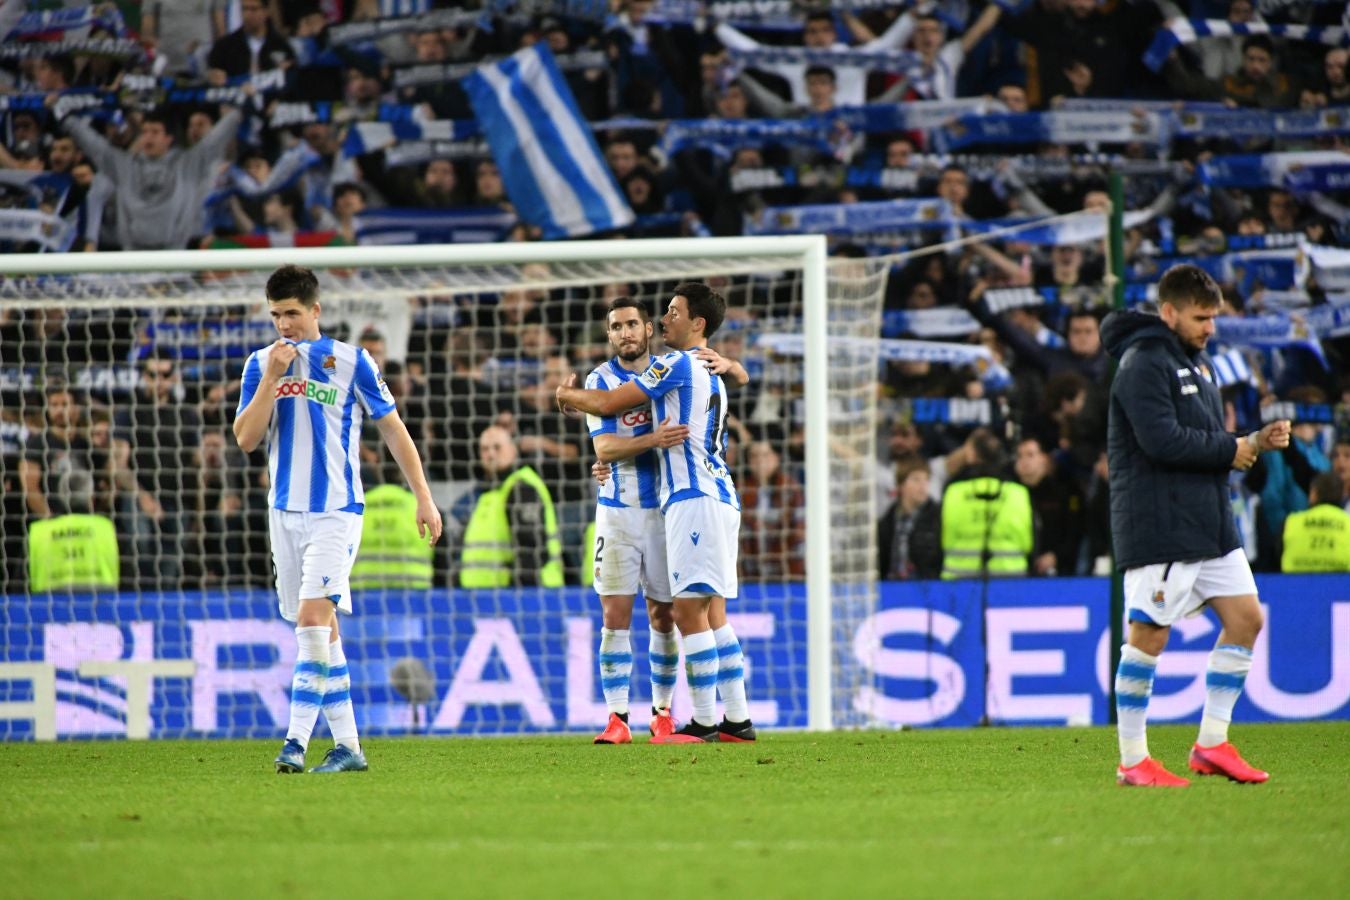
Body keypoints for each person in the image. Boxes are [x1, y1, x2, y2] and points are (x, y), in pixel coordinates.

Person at [233, 265, 441, 775]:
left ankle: (295, 744)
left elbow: (393, 430)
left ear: (316, 311)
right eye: (277, 315)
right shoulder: (260, 364)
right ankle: (348, 747)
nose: (285, 325)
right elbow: (245, 438)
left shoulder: (352, 361)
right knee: (323, 634)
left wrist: (424, 497)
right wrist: (272, 381)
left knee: (310, 621)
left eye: (293, 314)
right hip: (284, 514)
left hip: (336, 512)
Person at [1101, 264, 1291, 788]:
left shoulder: (1198, 366)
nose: (1210, 327)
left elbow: (1206, 438)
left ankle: (1211, 744)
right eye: (1200, 317)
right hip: (1161, 523)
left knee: (1246, 619)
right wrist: (1234, 449)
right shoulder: (1142, 364)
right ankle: (1133, 759)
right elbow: (1162, 441)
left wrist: (1252, 440)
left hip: (1209, 522)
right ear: (1169, 313)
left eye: (1213, 317)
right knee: (1148, 635)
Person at [557, 282, 755, 744]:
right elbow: (604, 433)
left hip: (690, 498)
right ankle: (737, 721)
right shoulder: (710, 368)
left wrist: (562, 396)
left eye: (670, 312)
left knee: (685, 614)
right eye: (616, 326)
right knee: (714, 614)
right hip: (712, 494)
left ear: (694, 323)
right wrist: (734, 366)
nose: (666, 319)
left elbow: (608, 405)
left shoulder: (676, 362)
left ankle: (702, 721)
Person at [583, 296, 691, 744]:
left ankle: (662, 713)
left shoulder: (672, 372)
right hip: (617, 512)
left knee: (664, 614)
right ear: (609, 335)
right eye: (616, 327)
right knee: (615, 614)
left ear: (648, 329)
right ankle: (616, 719)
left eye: (632, 324)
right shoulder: (599, 380)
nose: (624, 332)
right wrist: (652, 439)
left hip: (667, 511)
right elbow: (604, 450)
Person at [457, 425, 564, 588]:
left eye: (497, 447)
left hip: (524, 596)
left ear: (513, 449)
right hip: (485, 598)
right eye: (484, 449)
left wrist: (518, 593)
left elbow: (531, 548)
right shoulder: (489, 494)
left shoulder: (522, 487)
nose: (490, 454)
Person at [877, 451, 942, 581]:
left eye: (926, 479)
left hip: (926, 589)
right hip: (892, 588)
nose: (923, 485)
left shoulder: (938, 516)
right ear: (901, 485)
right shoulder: (887, 521)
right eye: (916, 479)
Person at [1280, 473, 1350, 573]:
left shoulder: (1291, 522)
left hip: (1293, 584)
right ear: (1342, 494)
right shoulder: (1348, 523)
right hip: (1342, 585)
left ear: (1314, 493)